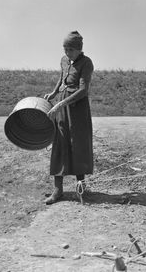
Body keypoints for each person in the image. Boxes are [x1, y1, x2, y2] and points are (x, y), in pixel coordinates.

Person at [44, 31, 94, 205]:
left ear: (79, 49)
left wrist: (60, 104)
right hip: (62, 108)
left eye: (70, 49)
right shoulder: (64, 60)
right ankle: (58, 191)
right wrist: (54, 93)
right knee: (60, 144)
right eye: (65, 49)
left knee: (78, 146)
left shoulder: (86, 63)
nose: (67, 53)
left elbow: (83, 90)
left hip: (78, 111)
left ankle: (81, 189)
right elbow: (61, 78)